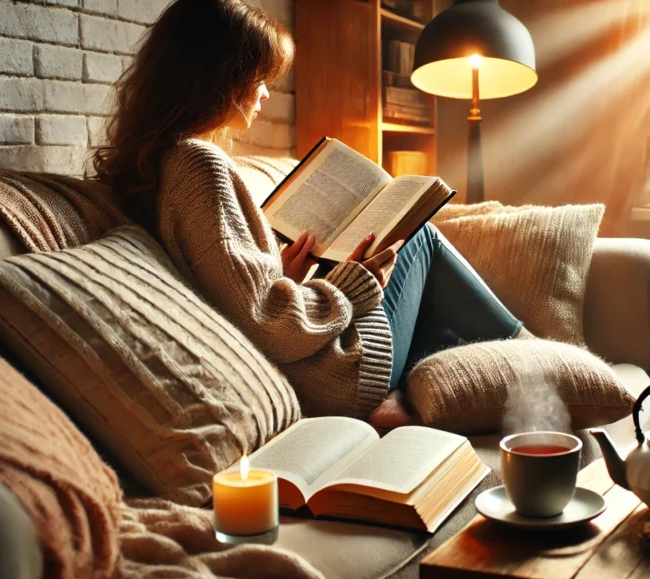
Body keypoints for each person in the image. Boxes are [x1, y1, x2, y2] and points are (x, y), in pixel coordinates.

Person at [91, 0, 529, 428]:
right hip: (336, 378)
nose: (265, 91)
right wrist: (356, 284)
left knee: (433, 300)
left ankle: (421, 390)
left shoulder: (163, 163)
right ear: (220, 76)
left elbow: (236, 294)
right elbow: (269, 324)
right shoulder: (199, 165)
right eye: (259, 76)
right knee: (419, 239)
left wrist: (281, 272)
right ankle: (529, 351)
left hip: (316, 366)